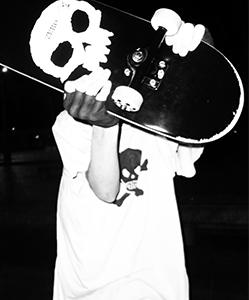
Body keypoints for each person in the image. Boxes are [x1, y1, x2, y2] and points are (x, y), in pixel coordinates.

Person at [52, 20, 213, 300]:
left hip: (154, 286)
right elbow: (105, 189)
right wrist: (105, 126)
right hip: (91, 288)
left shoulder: (159, 124)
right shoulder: (72, 121)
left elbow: (200, 113)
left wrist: (201, 56)